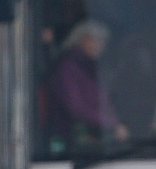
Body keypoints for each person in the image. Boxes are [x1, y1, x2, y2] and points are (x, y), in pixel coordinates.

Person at [46, 20, 129, 149]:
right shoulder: (68, 68)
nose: (99, 45)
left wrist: (115, 125)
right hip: (69, 147)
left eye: (102, 41)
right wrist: (111, 124)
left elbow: (104, 103)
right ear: (80, 40)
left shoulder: (92, 69)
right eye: (94, 40)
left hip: (96, 143)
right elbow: (76, 108)